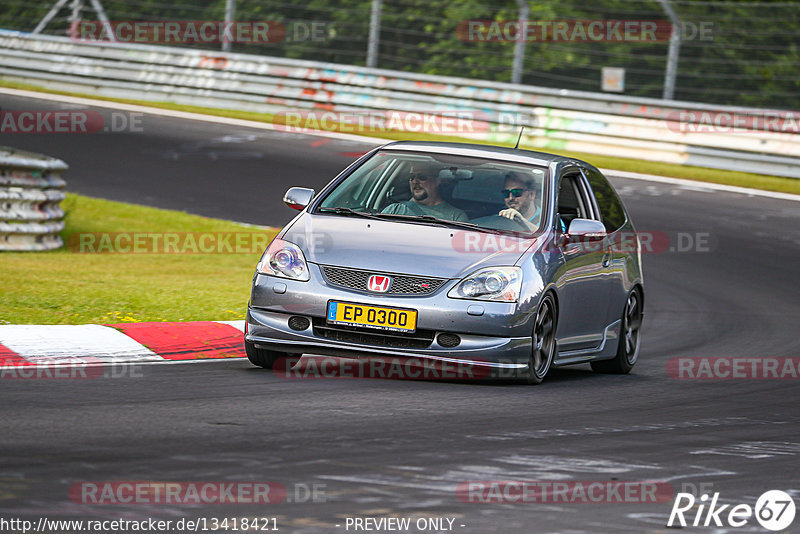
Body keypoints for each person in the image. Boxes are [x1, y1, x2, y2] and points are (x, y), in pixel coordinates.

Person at [382, 162, 468, 221]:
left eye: (422, 177)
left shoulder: (456, 217)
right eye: (412, 177)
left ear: (437, 181)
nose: (415, 181)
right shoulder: (394, 210)